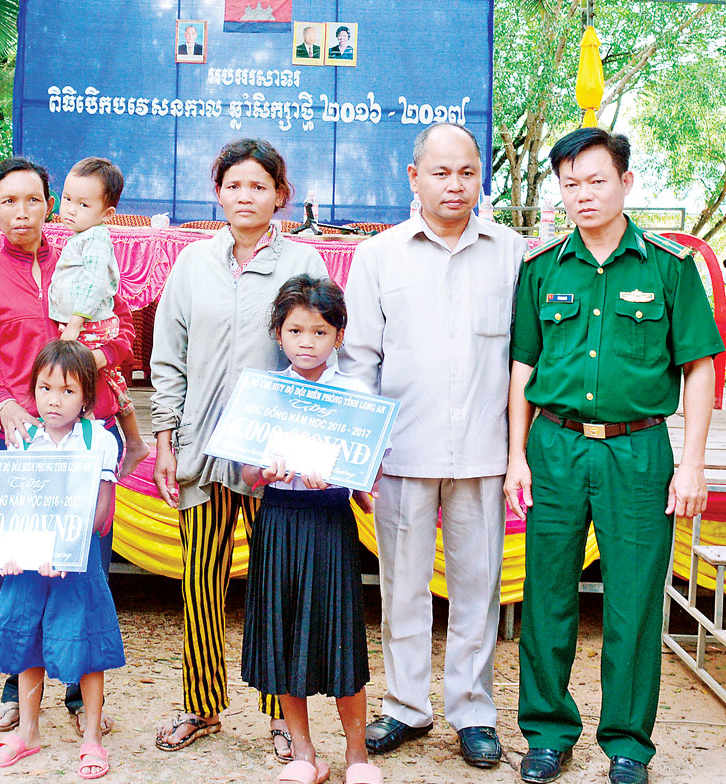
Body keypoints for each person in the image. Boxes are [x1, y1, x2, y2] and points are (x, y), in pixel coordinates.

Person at [505, 128, 721, 784]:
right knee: (547, 595)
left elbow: (701, 367)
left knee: (632, 602)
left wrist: (689, 464)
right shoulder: (542, 269)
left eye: (596, 180)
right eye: (570, 183)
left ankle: (628, 744)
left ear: (626, 182)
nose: (583, 194)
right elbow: (522, 365)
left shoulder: (669, 266)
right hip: (556, 447)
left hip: (639, 452)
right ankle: (547, 730)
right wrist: (517, 455)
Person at [338, 122, 526, 768]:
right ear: (412, 176)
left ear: (481, 178)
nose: (455, 185)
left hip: (483, 453)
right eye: (440, 173)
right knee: (403, 588)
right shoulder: (378, 257)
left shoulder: (512, 253)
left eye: (467, 173)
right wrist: (360, 455)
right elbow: (359, 361)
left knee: (478, 587)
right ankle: (408, 707)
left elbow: (523, 362)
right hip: (402, 453)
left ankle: (473, 712)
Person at [151, 138, 328, 759]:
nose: (245, 196)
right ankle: (201, 707)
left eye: (259, 186)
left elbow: (319, 358)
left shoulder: (304, 263)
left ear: (281, 195)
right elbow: (167, 358)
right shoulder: (192, 264)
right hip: (200, 450)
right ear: (217, 191)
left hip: (272, 459)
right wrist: (166, 440)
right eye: (234, 185)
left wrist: (305, 446)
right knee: (199, 579)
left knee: (275, 582)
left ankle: (283, 714)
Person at [0, 156, 134, 737]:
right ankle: (16, 691)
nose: (22, 212)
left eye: (33, 200)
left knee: (85, 568)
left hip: (84, 442)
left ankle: (83, 701)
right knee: (23, 568)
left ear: (51, 204)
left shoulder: (85, 257)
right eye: (9, 201)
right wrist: (5, 405)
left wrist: (94, 360)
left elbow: (126, 333)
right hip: (24, 444)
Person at [240, 275, 383, 784]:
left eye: (320, 332)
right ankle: (304, 755)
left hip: (330, 522)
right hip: (278, 521)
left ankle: (357, 757)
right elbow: (246, 473)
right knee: (282, 635)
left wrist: (350, 478)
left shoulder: (355, 395)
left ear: (339, 336)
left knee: (341, 634)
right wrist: (265, 472)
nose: (307, 342)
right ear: (279, 334)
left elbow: (369, 481)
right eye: (296, 330)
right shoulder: (264, 392)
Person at [0, 340, 125, 779]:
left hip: (75, 565)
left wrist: (64, 548)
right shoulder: (22, 439)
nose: (53, 400)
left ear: (86, 397)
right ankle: (28, 732)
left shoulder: (99, 440)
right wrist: (6, 550)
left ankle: (91, 739)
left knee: (86, 648)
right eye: (45, 389)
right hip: (27, 564)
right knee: (26, 642)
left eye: (67, 391)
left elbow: (101, 511)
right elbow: (8, 502)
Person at [50, 156, 149, 478]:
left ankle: (125, 441)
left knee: (95, 379)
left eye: (82, 204)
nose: (70, 210)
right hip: (83, 322)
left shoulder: (95, 239)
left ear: (106, 214)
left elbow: (94, 283)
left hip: (88, 325)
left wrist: (75, 323)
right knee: (108, 380)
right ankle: (133, 441)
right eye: (67, 199)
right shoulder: (81, 236)